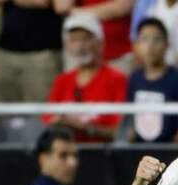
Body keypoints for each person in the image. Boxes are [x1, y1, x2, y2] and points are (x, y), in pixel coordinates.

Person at [44, 11, 128, 142]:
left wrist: (84, 127)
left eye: (86, 38)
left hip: (103, 155)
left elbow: (120, 131)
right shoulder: (62, 81)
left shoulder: (117, 79)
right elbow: (48, 121)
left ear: (100, 42)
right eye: (73, 39)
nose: (79, 46)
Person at [0, 0, 70, 102]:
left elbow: (45, 2)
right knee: (3, 112)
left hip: (42, 53)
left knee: (42, 112)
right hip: (4, 52)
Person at [127, 17, 178, 143]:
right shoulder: (134, 79)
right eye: (144, 39)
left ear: (167, 44)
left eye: (156, 39)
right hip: (137, 151)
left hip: (170, 151)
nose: (150, 46)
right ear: (136, 45)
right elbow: (129, 121)